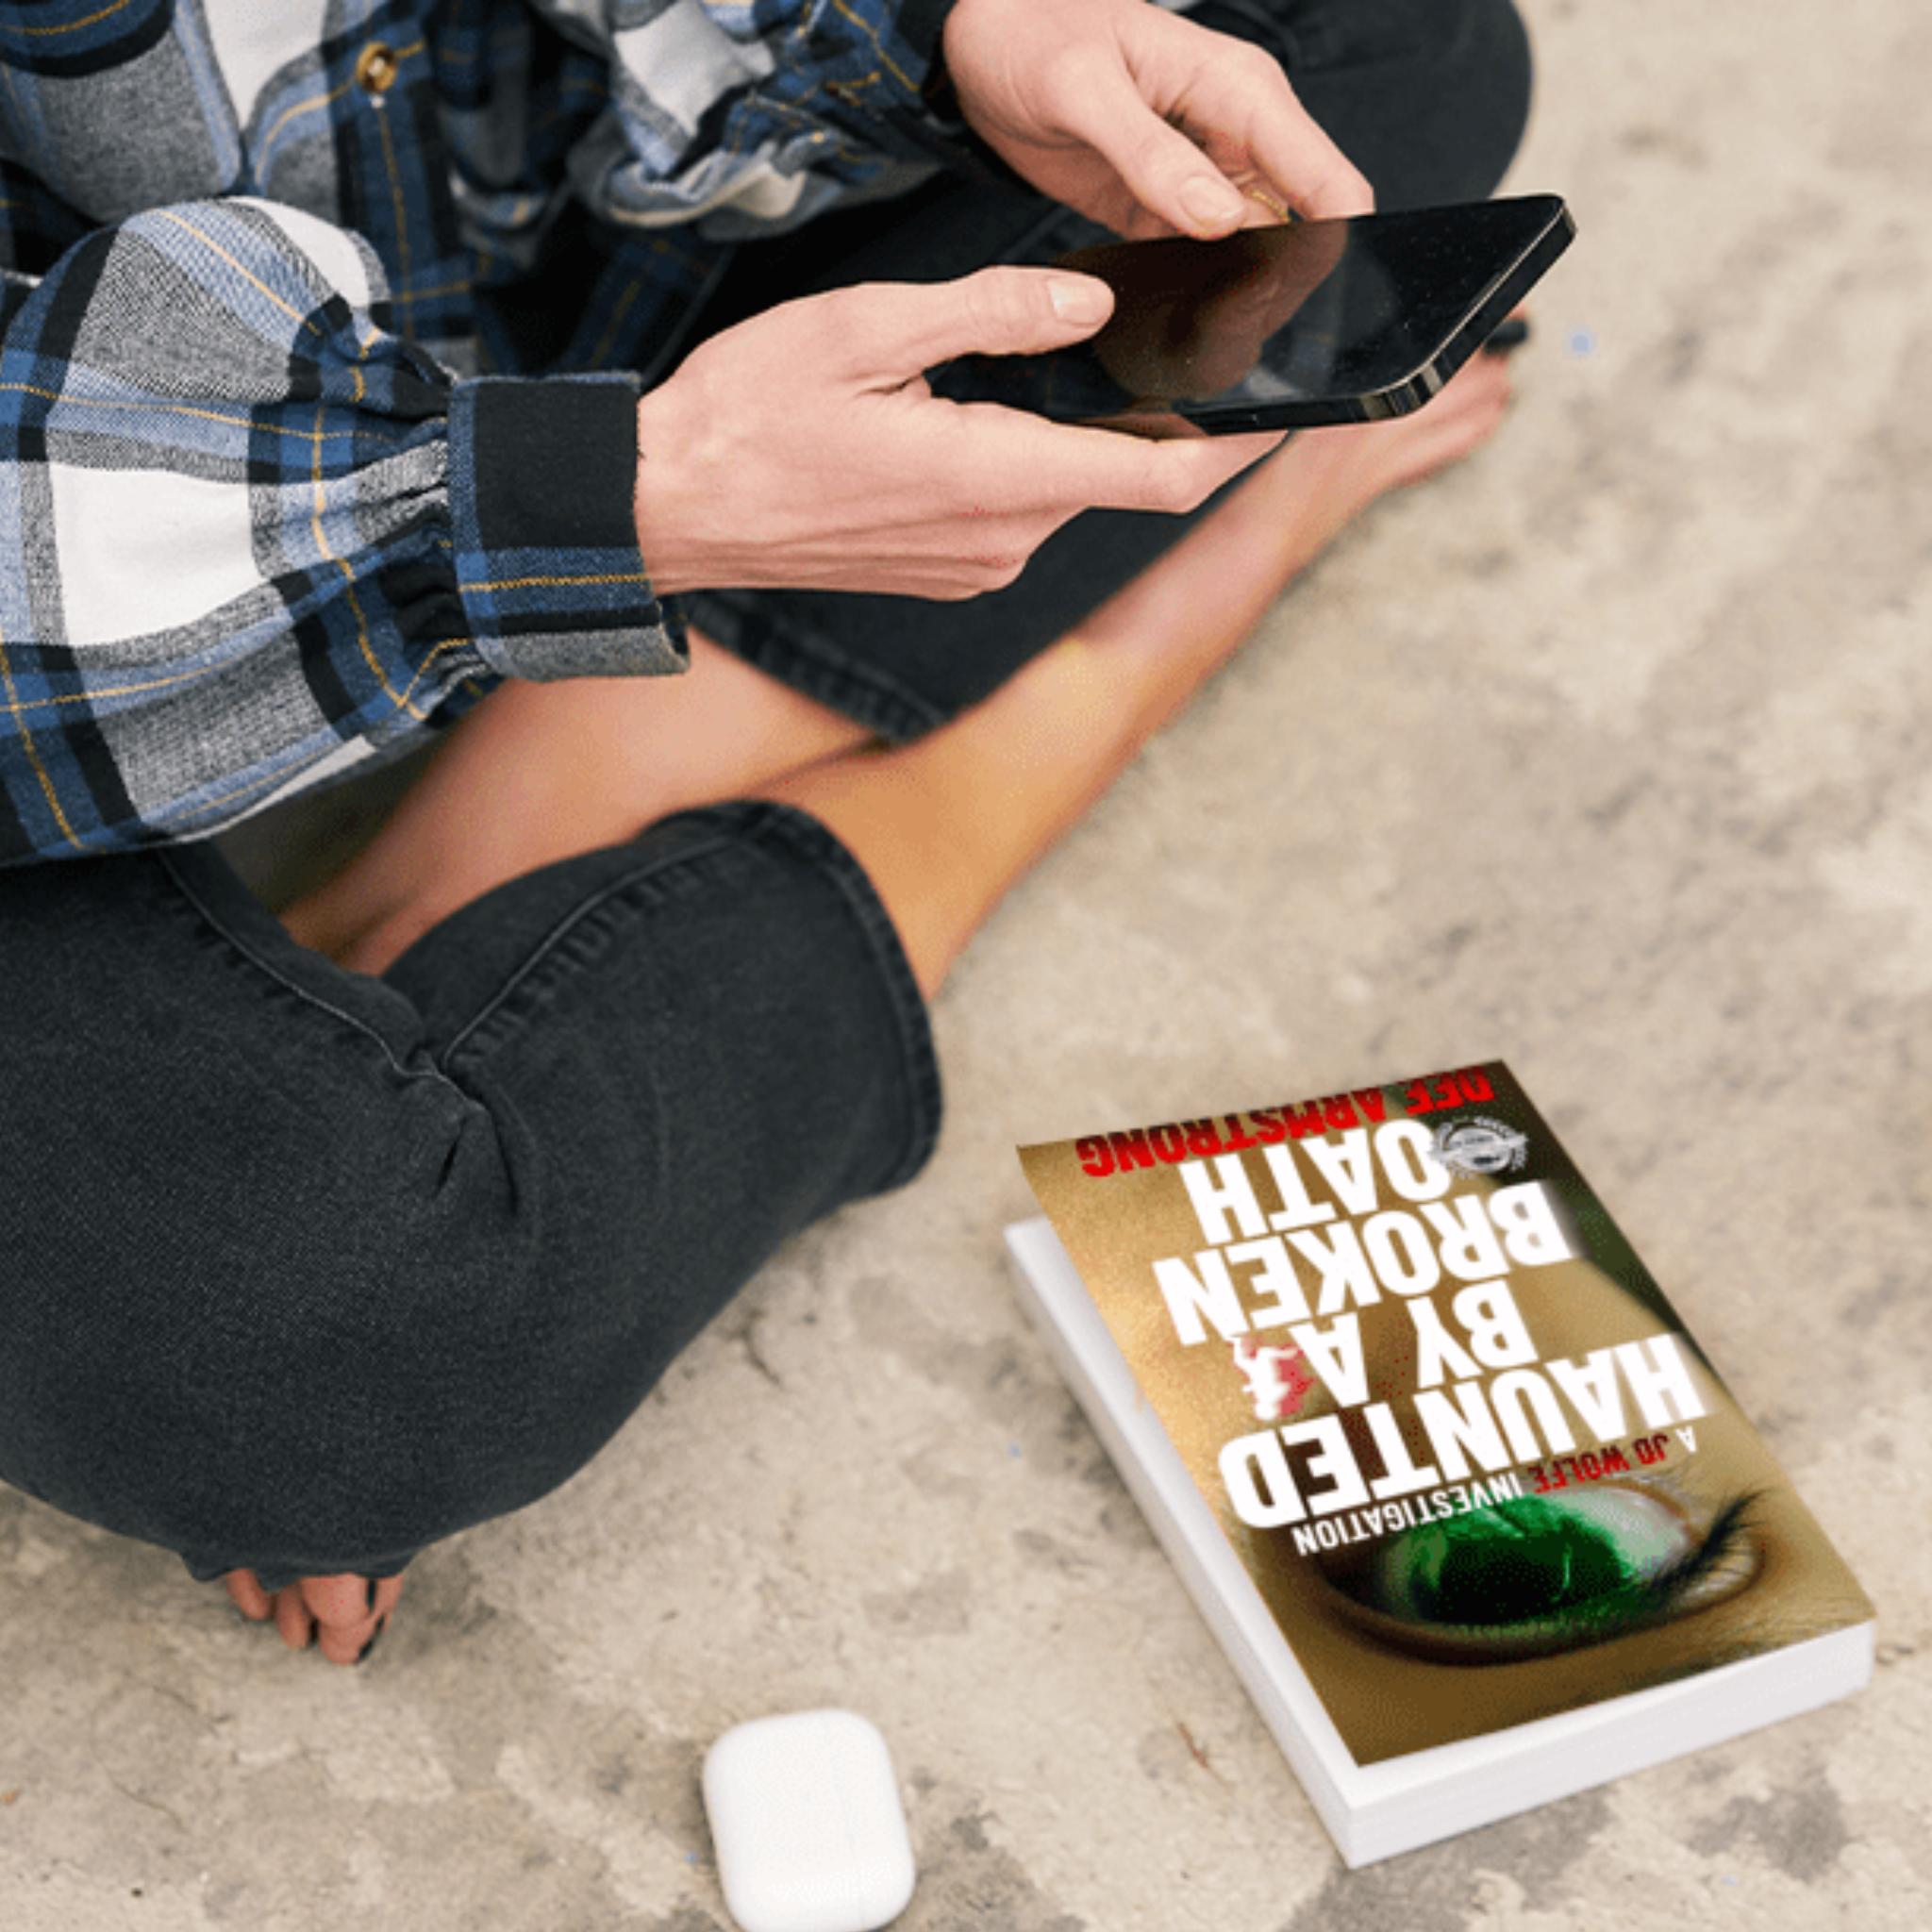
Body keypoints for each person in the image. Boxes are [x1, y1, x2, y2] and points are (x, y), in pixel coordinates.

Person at [0, 0, 1533, 1663]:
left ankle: (416, 890)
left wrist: (933, 33)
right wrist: (576, 504)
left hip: (446, 269)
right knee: (356, 1360)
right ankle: (1124, 644)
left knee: (1364, 64)